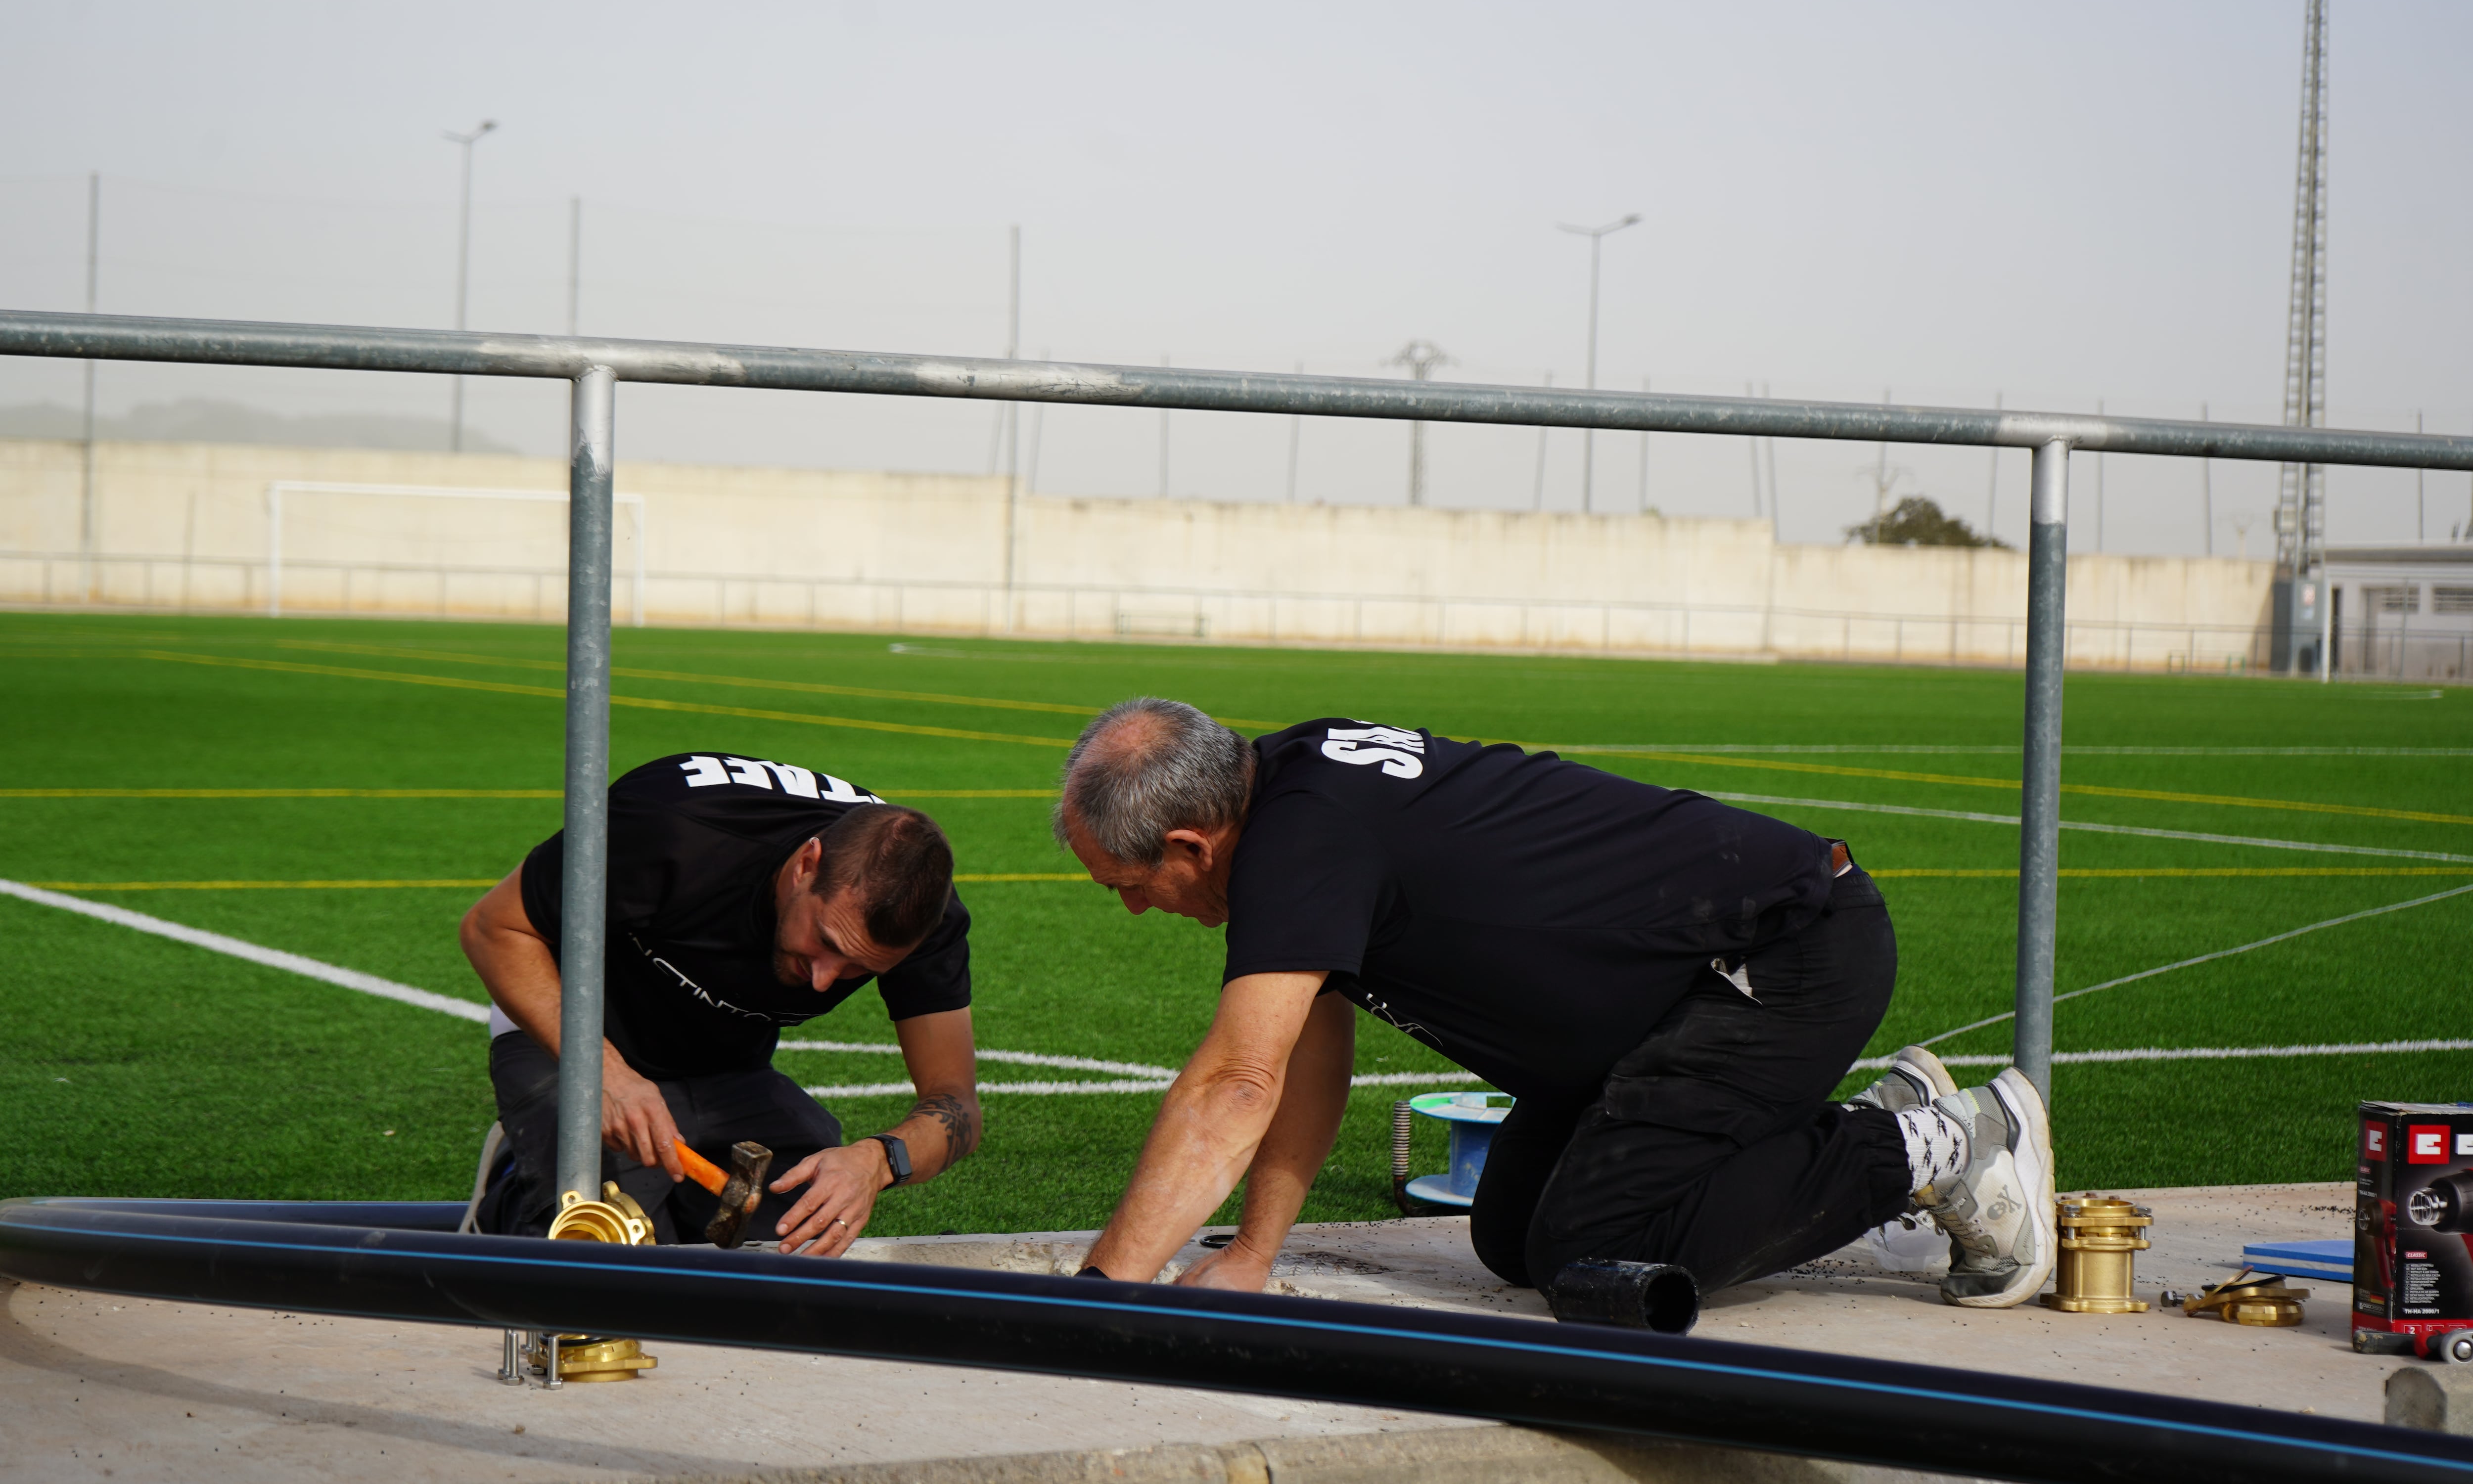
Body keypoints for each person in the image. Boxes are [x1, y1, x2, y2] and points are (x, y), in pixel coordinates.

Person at [1052, 699, 2053, 1314]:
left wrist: (1099, 1297)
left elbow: (1235, 1083)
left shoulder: (1300, 842)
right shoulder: (1289, 789)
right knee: (1516, 1237)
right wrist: (1252, 1254)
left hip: (1782, 959)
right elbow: (1303, 1063)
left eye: (1127, 885)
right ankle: (1840, 1130)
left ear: (1190, 844)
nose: (1136, 908)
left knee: (1588, 1248)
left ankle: (1942, 1142)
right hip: (1676, 998)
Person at [460, 749, 980, 1254]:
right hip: (570, 1036)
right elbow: (492, 929)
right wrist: (603, 1073)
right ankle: (508, 1194)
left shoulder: (923, 919)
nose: (825, 981)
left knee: (800, 1223)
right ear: (806, 865)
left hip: (724, 1064)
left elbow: (955, 1102)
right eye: (826, 941)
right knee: (609, 1242)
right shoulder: (673, 828)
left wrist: (877, 1161)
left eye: (860, 969)